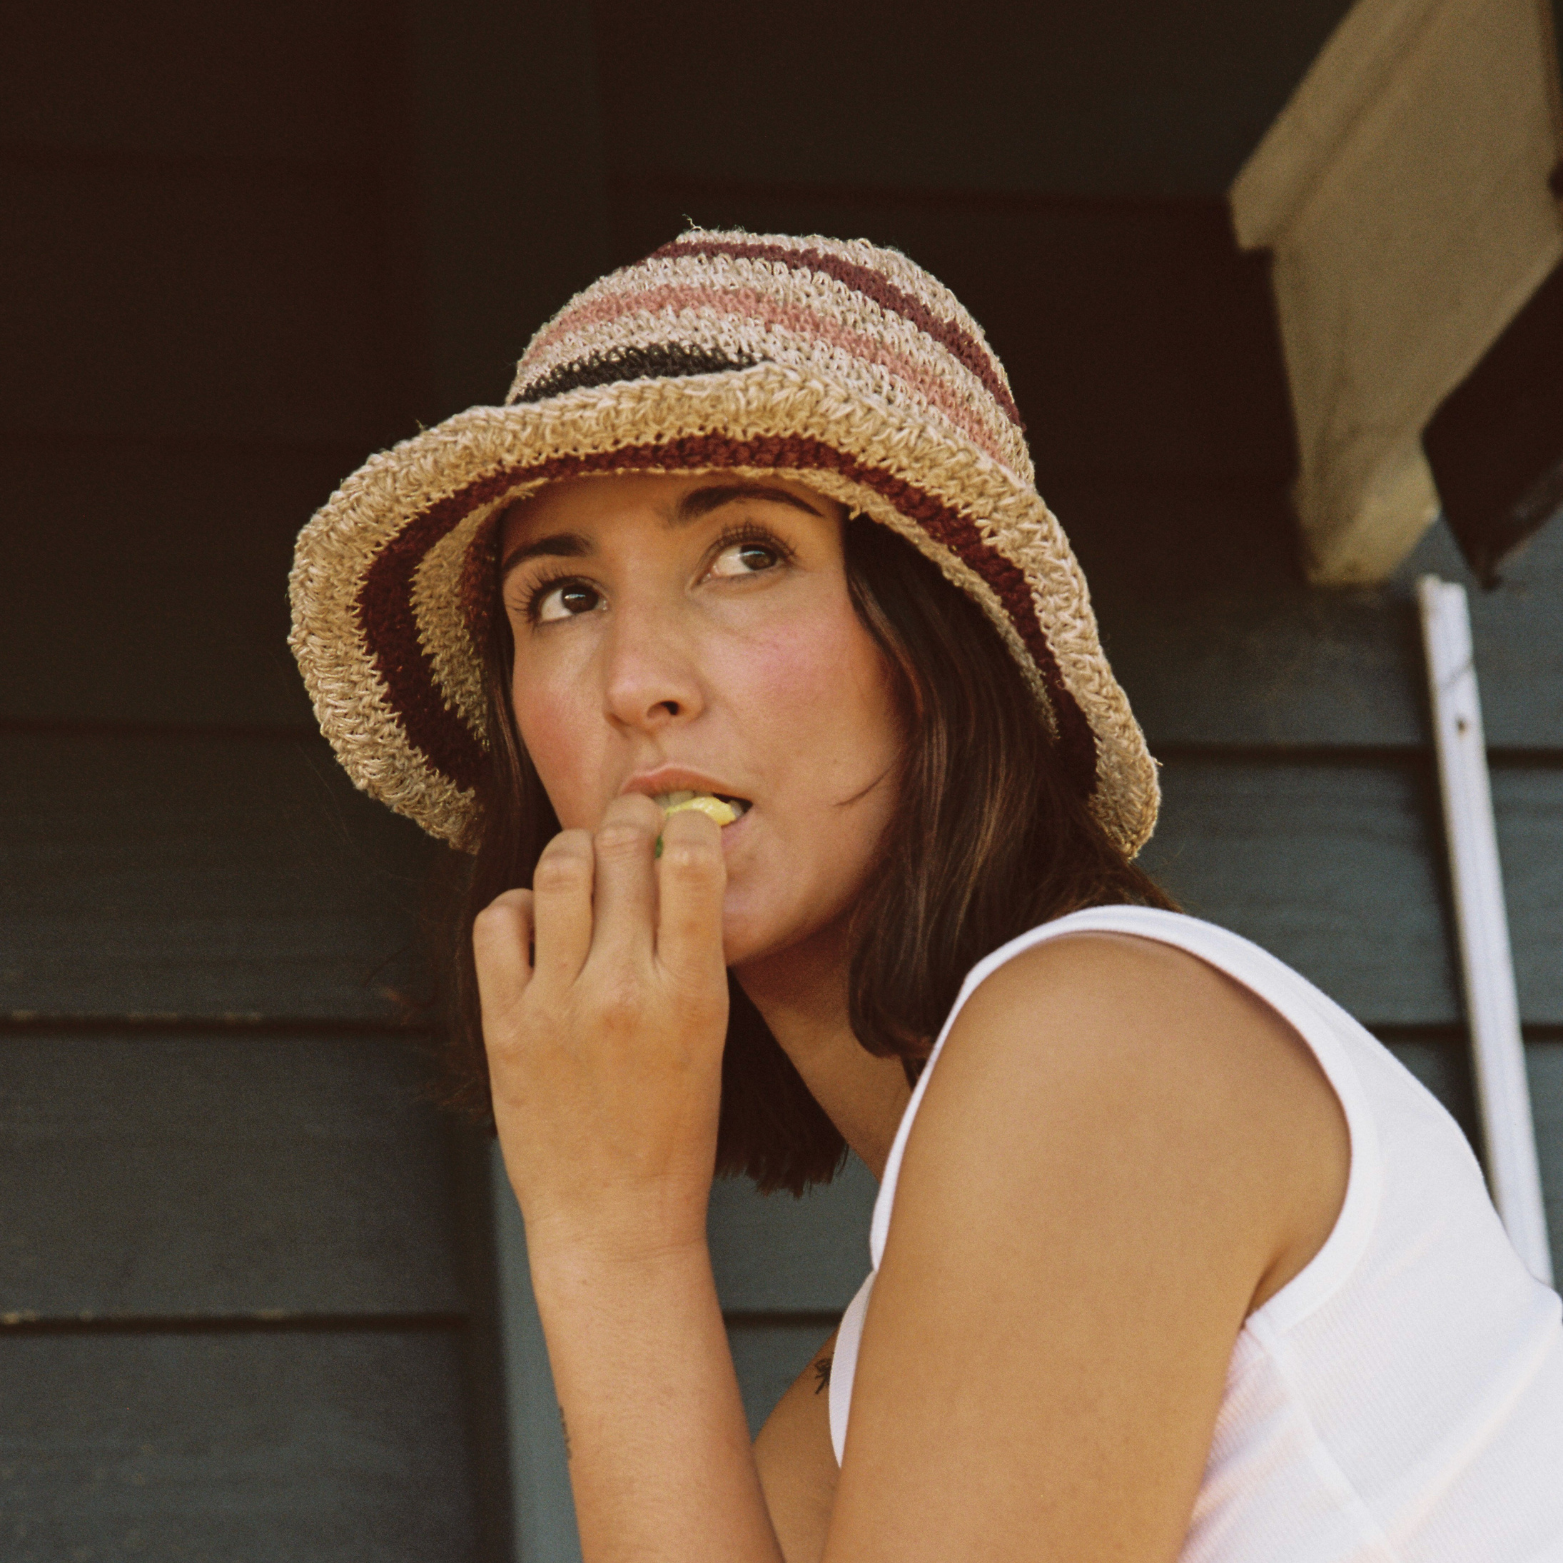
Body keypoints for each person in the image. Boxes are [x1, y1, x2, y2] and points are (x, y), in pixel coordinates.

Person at [290, 232, 1563, 1562]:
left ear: (931, 638)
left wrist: (617, 1247)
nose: (632, 680)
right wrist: (604, 1241)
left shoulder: (1102, 1043)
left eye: (743, 553)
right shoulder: (845, 1415)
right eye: (561, 595)